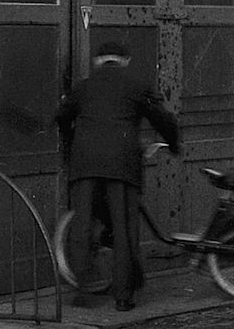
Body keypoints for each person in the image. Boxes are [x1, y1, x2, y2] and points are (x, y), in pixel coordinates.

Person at [56, 42, 180, 311]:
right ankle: (123, 297)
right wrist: (174, 144)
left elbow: (61, 116)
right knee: (123, 227)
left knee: (82, 225)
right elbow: (163, 119)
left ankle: (84, 292)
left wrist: (72, 143)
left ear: (97, 61)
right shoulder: (136, 86)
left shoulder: (83, 87)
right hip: (122, 165)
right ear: (125, 60)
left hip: (85, 164)